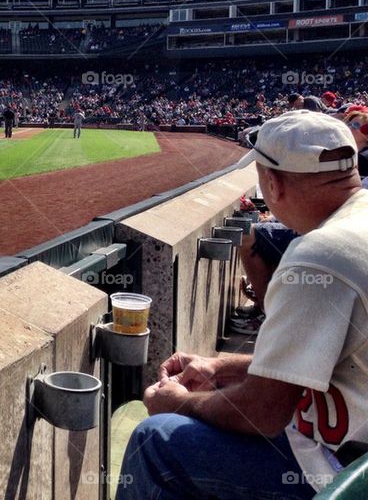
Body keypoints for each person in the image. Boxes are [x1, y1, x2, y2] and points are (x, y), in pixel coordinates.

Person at [119, 110, 368, 499]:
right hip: (356, 456)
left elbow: (264, 413)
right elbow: (303, 369)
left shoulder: (317, 255)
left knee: (155, 442)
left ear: (273, 181)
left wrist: (181, 404)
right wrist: (221, 366)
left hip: (346, 477)